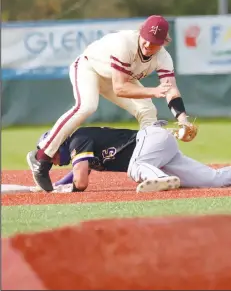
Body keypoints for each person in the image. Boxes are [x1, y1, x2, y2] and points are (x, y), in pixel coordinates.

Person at [26, 15, 197, 193]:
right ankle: (41, 157)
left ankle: (147, 163)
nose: (148, 46)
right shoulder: (125, 44)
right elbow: (120, 89)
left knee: (147, 110)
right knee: (86, 106)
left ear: (163, 42)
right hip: (89, 68)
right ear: (140, 33)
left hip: (116, 78)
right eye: (146, 40)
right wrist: (153, 91)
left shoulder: (163, 57)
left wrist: (183, 120)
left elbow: (171, 90)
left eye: (154, 43)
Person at [33, 121, 231, 194]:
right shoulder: (80, 148)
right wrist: (56, 187)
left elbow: (81, 182)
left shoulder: (78, 139)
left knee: (136, 169)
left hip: (151, 141)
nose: (51, 160)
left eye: (50, 154)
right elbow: (80, 173)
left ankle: (163, 181)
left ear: (59, 143)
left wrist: (65, 190)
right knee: (215, 180)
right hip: (156, 154)